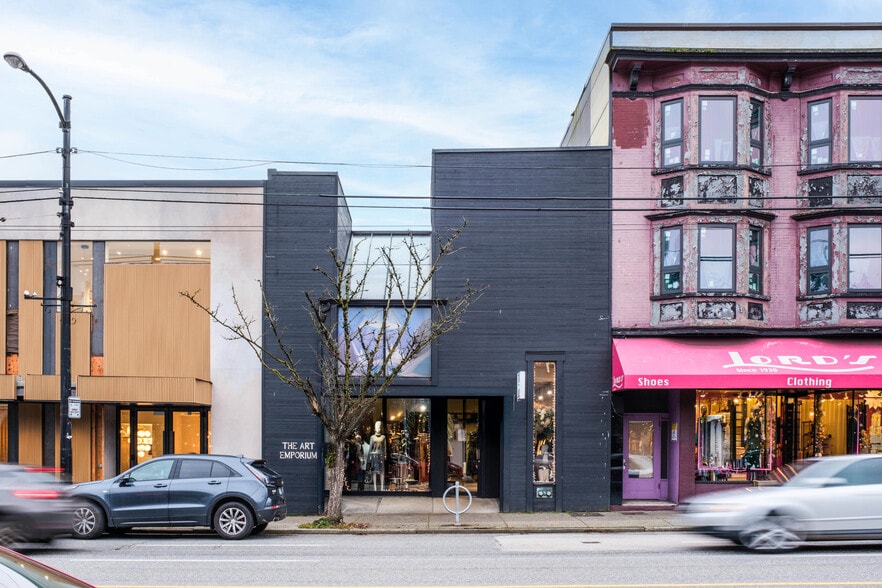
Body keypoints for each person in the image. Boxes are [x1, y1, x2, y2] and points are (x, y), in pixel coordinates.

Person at [369, 421, 386, 490]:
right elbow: (371, 447)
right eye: (377, 428)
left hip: (381, 455)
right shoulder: (372, 437)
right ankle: (375, 488)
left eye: (379, 428)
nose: (378, 429)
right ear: (375, 428)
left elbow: (385, 447)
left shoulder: (383, 437)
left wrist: (385, 455)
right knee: (374, 472)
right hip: (374, 455)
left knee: (382, 471)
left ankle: (382, 488)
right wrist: (370, 457)